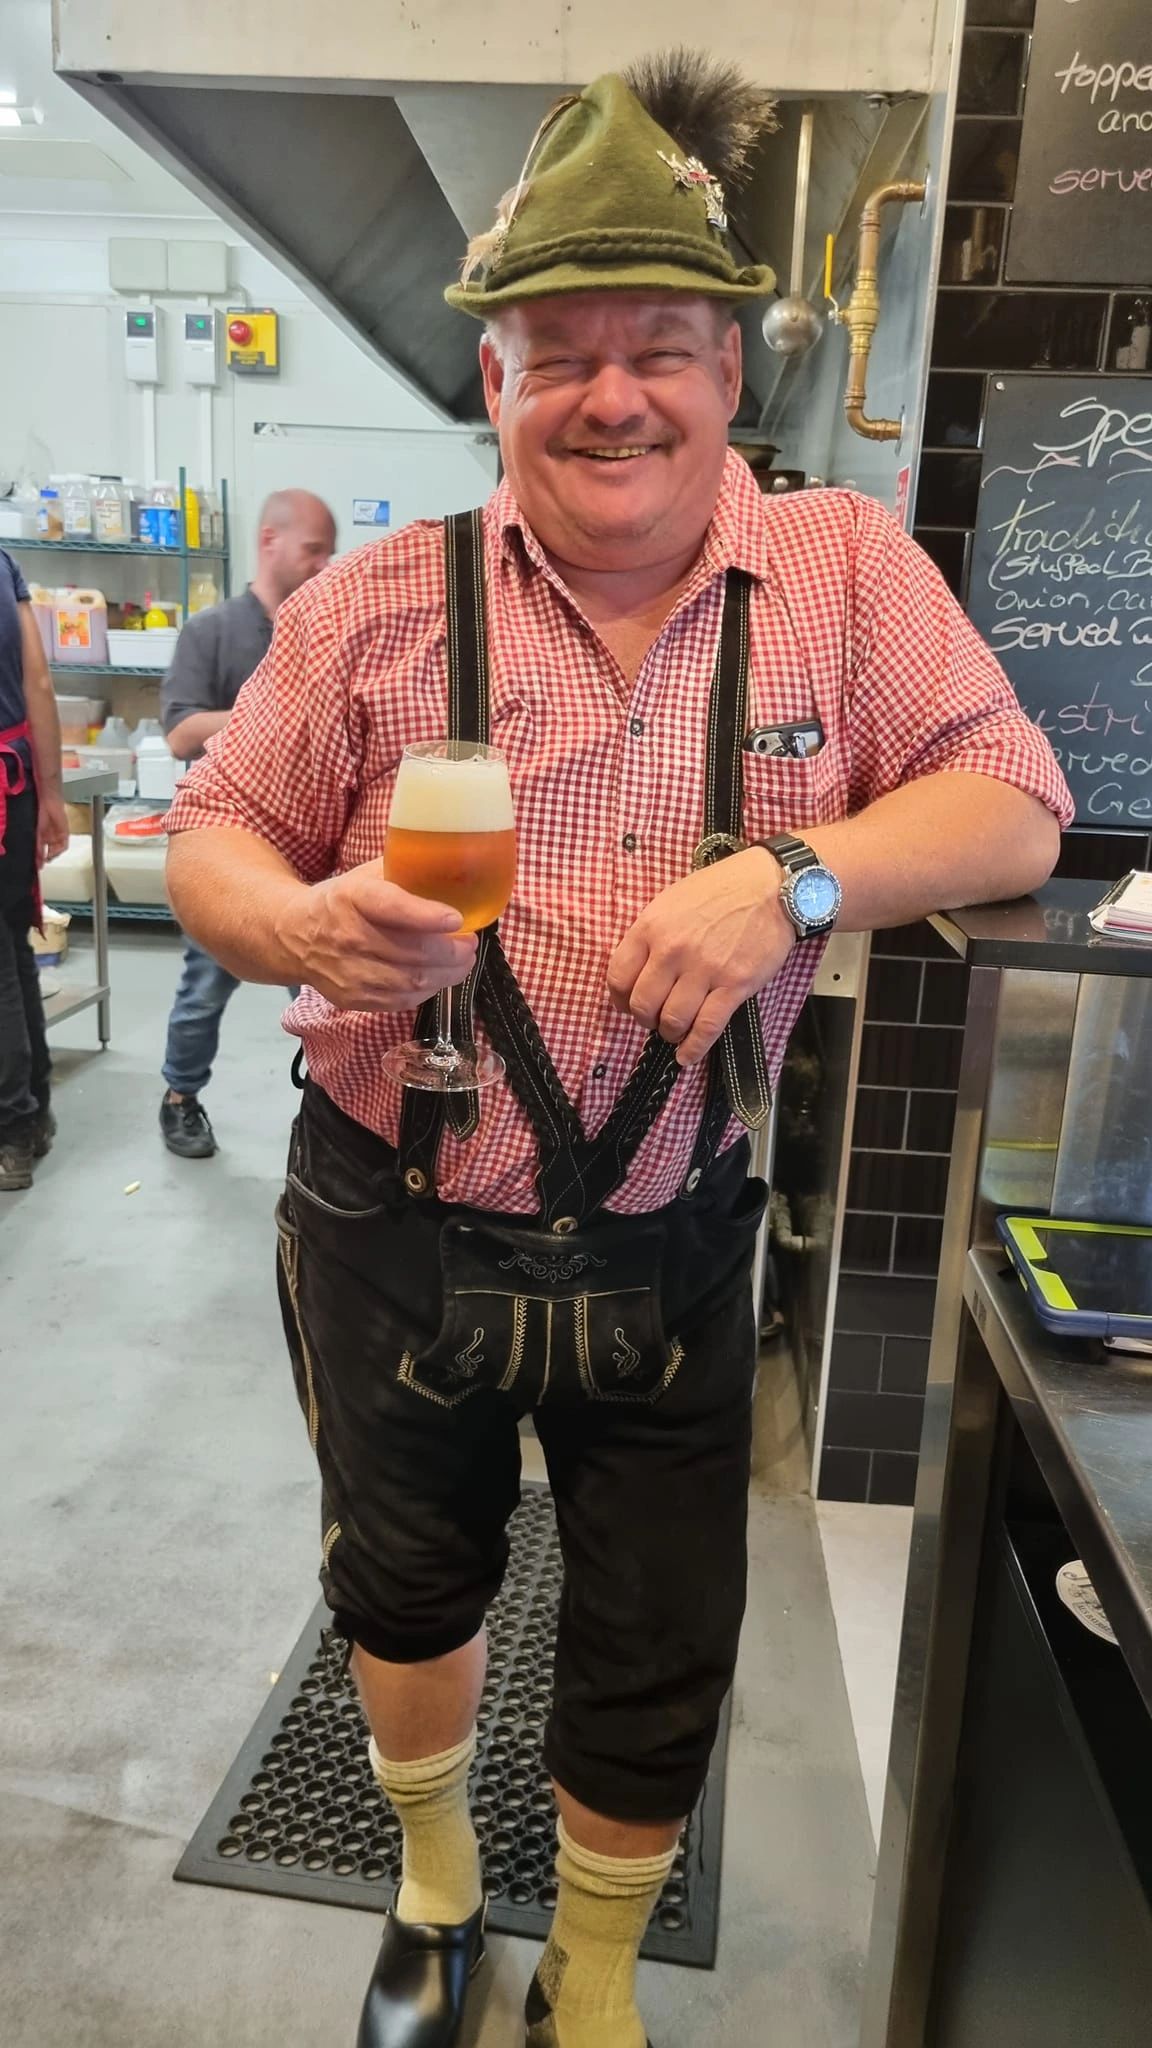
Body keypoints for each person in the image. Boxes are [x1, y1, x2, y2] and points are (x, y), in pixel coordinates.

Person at [165, 51, 1073, 2048]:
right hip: (388, 1208)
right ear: (492, 377)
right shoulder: (378, 601)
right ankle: (432, 1898)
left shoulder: (843, 576)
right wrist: (293, 923)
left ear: (728, 365)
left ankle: (588, 1978)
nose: (611, 395)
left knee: (661, 1630)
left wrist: (798, 877)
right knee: (404, 1584)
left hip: (674, 1227)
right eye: (558, 353)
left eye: (657, 345)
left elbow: (1015, 799)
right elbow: (213, 829)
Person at [158, 489, 335, 1158]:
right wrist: (271, 714)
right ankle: (180, 1098)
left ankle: (335, 1110)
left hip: (308, 858)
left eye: (329, 551)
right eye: (312, 549)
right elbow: (180, 732)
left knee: (323, 995)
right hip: (229, 854)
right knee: (203, 992)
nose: (323, 564)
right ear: (269, 542)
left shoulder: (323, 629)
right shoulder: (211, 632)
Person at [0, 548, 68, 1192]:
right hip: (14, 781)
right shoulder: (4, 564)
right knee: (13, 947)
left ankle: (11, 1128)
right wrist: (51, 796)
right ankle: (34, 1109)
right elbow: (38, 682)